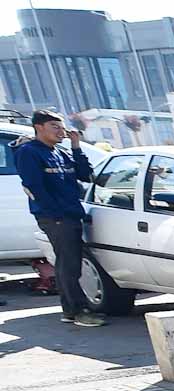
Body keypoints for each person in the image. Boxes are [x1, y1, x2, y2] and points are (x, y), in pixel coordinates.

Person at [16, 110, 103, 327]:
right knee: (69, 264)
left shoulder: (60, 152)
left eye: (62, 127)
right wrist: (54, 212)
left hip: (71, 213)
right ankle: (79, 310)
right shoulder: (29, 152)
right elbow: (34, 186)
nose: (61, 131)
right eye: (55, 126)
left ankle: (71, 310)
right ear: (39, 127)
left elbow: (85, 174)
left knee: (69, 263)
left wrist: (76, 146)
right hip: (56, 217)